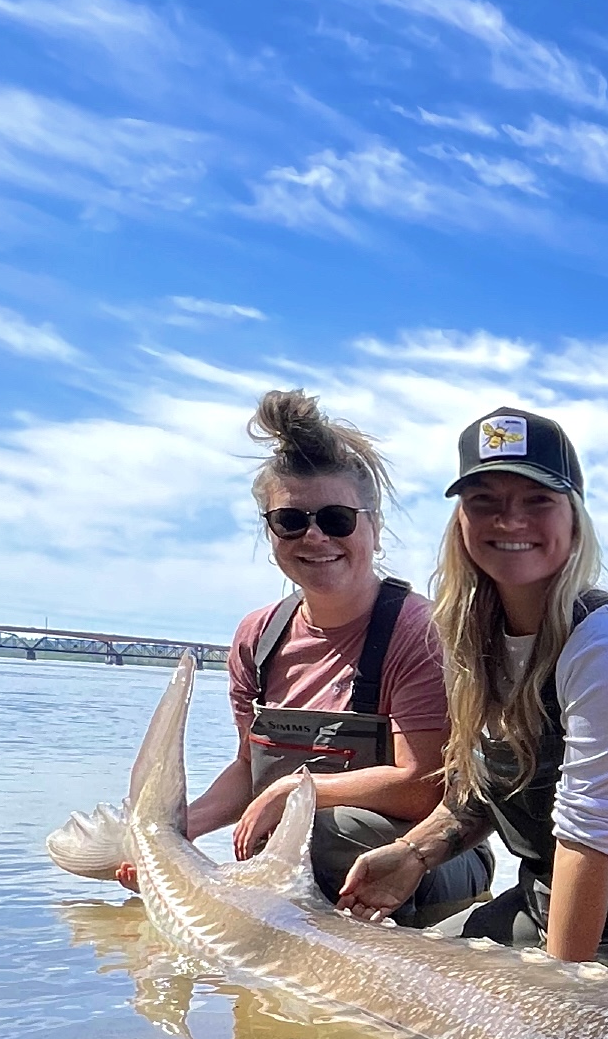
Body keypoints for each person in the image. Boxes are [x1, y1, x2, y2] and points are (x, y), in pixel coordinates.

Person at [336, 403, 608, 964]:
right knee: (378, 989)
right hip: (540, 898)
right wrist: (412, 854)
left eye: (537, 501)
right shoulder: (473, 638)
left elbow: (587, 840)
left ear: (574, 517)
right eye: (483, 502)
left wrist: (559, 1004)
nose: (508, 520)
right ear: (461, 521)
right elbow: (487, 792)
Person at [172, 388, 489, 926]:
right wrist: (177, 831)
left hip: (424, 861)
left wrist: (292, 791)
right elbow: (249, 766)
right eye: (291, 521)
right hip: (293, 867)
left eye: (337, 519)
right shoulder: (257, 635)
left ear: (374, 526)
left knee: (323, 828)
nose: (315, 536)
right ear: (269, 530)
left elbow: (423, 785)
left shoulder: (418, 631)